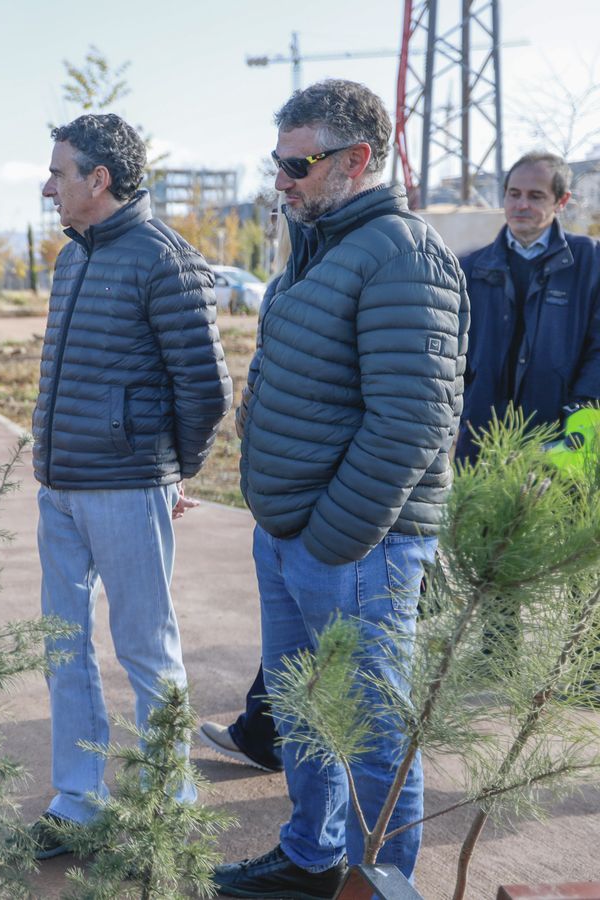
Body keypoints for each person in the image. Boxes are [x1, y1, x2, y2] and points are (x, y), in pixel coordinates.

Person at [214, 79, 468, 899]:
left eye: (297, 164)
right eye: (276, 163)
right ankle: (312, 858)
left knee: (369, 734)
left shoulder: (400, 253)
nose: (280, 181)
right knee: (304, 716)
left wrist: (330, 538)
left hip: (356, 547)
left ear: (356, 160)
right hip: (293, 537)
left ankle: (380, 883)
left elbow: (409, 421)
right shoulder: (317, 249)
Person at [27, 113, 232, 859]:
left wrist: (172, 469)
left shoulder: (164, 259)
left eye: (59, 172)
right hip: (60, 485)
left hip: (124, 486)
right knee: (63, 646)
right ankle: (78, 798)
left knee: (146, 647)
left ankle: (169, 805)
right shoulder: (69, 259)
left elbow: (207, 390)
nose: (47, 185)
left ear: (98, 179)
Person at [458, 151, 600, 457]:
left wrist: (582, 407)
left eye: (536, 196)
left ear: (561, 201)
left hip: (558, 442)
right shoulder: (469, 268)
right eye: (514, 194)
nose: (522, 205)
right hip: (479, 440)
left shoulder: (591, 262)